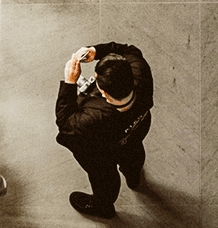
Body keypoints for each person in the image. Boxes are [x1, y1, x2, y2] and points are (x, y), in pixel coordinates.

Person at [55, 42, 153, 218]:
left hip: (103, 153)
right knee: (134, 154)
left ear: (105, 93)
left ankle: (102, 206)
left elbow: (65, 124)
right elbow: (129, 50)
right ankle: (133, 178)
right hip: (136, 131)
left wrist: (70, 82)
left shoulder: (92, 118)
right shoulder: (141, 71)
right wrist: (96, 51)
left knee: (105, 179)